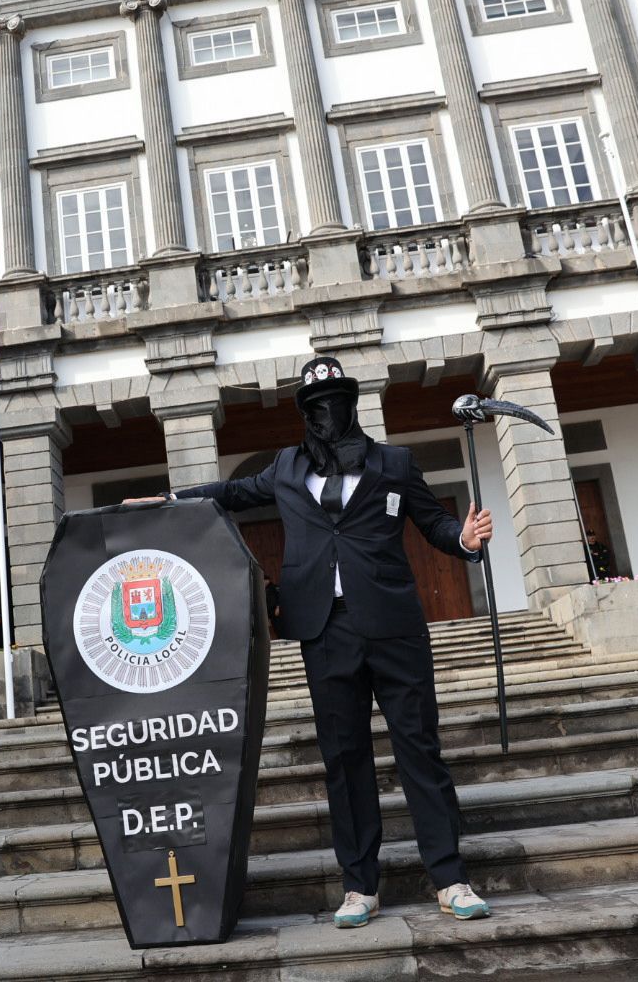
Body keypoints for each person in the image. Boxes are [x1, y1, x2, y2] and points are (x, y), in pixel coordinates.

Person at [130, 355, 494, 928]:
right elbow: (230, 493)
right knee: (344, 759)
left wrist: (466, 538)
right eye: (316, 407)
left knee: (419, 750)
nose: (328, 414)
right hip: (326, 631)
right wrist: (170, 501)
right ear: (305, 413)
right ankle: (360, 886)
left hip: (395, 627)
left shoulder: (393, 463)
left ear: (351, 404)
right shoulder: (285, 468)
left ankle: (450, 878)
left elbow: (436, 526)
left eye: (337, 403)